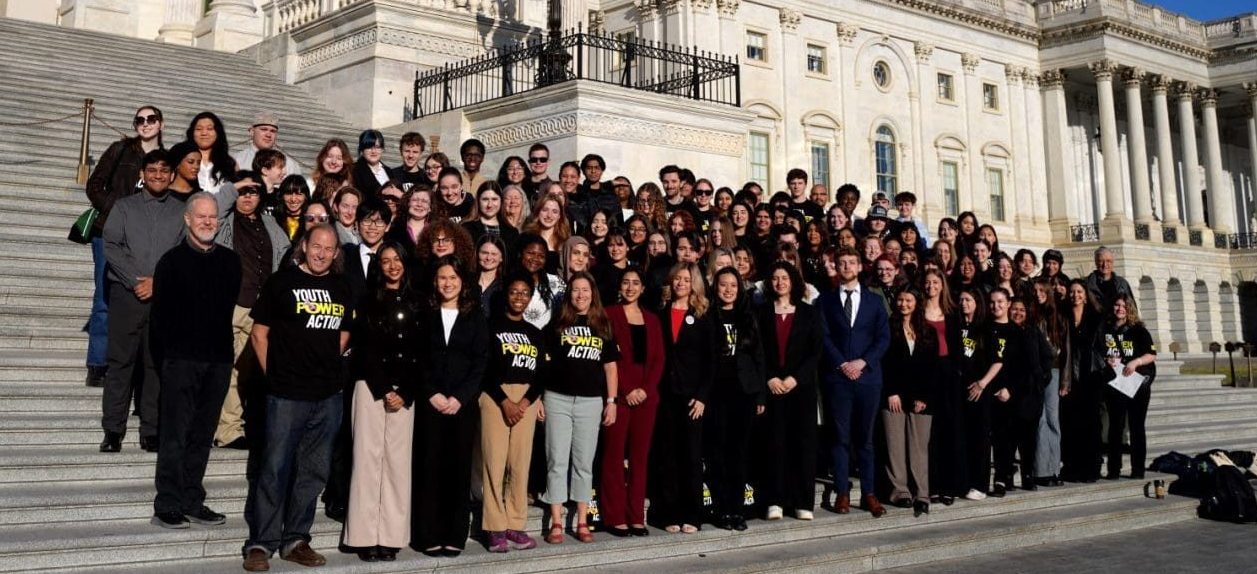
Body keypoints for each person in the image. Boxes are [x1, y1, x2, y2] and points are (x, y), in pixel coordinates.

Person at [242, 224, 353, 572]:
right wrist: (274, 375)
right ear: (304, 246)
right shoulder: (281, 282)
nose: (321, 253)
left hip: (328, 395)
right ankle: (260, 542)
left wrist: (326, 363)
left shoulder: (342, 287)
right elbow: (259, 335)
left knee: (313, 471)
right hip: (286, 394)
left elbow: (345, 330)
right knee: (274, 469)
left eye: (328, 248)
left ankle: (296, 539)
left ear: (336, 253)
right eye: (315, 245)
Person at [149, 192, 241, 528]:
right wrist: (169, 361)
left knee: (202, 435)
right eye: (200, 216)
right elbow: (158, 322)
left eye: (212, 217)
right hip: (180, 361)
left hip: (217, 361)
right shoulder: (170, 262)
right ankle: (168, 502)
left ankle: (192, 498)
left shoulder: (231, 262)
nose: (207, 222)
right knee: (175, 434)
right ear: (187, 219)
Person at [99, 150, 186, 454]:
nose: (158, 175)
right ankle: (113, 429)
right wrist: (137, 280)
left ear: (172, 175)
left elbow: (182, 252)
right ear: (142, 174)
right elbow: (111, 245)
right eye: (152, 171)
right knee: (120, 363)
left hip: (163, 298)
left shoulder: (181, 210)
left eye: (164, 171)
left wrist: (157, 282)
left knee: (155, 364)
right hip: (127, 293)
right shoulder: (124, 207)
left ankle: (151, 429)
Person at [343, 242, 421, 562]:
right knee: (367, 462)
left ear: (405, 263)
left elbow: (423, 354)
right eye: (385, 261)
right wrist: (384, 388)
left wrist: (404, 391)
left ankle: (390, 536)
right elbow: (363, 348)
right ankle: (364, 537)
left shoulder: (419, 303)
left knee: (397, 466)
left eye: (396, 260)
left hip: (405, 392)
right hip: (371, 388)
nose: (392, 266)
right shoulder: (367, 300)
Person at [412, 256, 489, 557]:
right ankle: (428, 533)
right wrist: (431, 393)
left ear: (463, 282)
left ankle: (454, 533)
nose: (448, 283)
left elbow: (481, 362)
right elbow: (416, 358)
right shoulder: (425, 314)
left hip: (462, 405)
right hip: (430, 403)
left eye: (453, 278)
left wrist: (460, 397)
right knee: (430, 469)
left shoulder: (475, 316)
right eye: (442, 277)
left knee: (458, 470)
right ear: (435, 281)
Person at [84, 104, 165, 388]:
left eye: (151, 119)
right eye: (140, 120)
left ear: (161, 124)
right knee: (104, 297)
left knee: (138, 300)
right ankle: (97, 362)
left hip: (145, 239)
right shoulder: (120, 150)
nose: (145, 124)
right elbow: (94, 186)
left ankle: (133, 363)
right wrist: (118, 213)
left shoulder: (164, 159)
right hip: (109, 233)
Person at [210, 170, 291, 450]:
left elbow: (285, 256)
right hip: (233, 304)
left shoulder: (270, 223)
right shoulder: (225, 221)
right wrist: (234, 187)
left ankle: (244, 424)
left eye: (253, 192)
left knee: (249, 372)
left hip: (261, 309)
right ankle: (228, 430)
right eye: (243, 192)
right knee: (228, 369)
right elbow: (213, 209)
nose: (247, 197)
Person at [542, 272, 618, 544]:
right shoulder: (558, 324)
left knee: (584, 464)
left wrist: (611, 402)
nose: (580, 295)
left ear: (592, 293)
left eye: (585, 290)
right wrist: (540, 398)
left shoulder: (603, 325)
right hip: (557, 399)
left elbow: (610, 367)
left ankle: (582, 520)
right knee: (557, 461)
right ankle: (557, 521)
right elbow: (544, 365)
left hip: (590, 403)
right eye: (575, 290)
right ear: (568, 294)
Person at [818, 247, 889, 517]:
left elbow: (882, 338)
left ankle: (869, 494)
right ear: (836, 267)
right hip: (838, 379)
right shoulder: (825, 301)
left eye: (851, 262)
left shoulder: (874, 301)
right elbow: (824, 336)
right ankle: (842, 493)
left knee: (866, 440)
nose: (846, 266)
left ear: (860, 267)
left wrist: (862, 362)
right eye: (842, 263)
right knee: (840, 438)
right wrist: (842, 363)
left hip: (868, 379)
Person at [481, 273, 546, 553]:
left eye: (524, 293)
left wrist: (525, 401)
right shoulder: (489, 326)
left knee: (520, 464)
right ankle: (495, 528)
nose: (518, 297)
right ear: (505, 295)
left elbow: (542, 374)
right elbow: (482, 369)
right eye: (514, 292)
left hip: (526, 399)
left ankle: (515, 524)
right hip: (495, 397)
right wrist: (504, 400)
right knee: (495, 463)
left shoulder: (536, 333)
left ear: (529, 298)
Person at [757, 261, 824, 521]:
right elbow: (757, 350)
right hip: (773, 389)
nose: (779, 282)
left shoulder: (808, 313)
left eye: (784, 278)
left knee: (803, 445)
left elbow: (815, 351)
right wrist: (770, 378)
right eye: (774, 278)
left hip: (800, 389)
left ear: (793, 281)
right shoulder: (761, 312)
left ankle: (803, 502)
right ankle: (775, 500)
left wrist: (796, 378)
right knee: (775, 445)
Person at [600, 269, 664, 537]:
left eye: (635, 283)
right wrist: (625, 390)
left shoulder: (652, 319)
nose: (630, 287)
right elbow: (607, 356)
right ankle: (615, 516)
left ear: (643, 288)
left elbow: (659, 359)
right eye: (625, 282)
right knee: (613, 455)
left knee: (639, 458)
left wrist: (645, 389)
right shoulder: (609, 314)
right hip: (619, 394)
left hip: (646, 397)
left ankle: (636, 515)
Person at [650, 263, 713, 534]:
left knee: (691, 455)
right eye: (676, 278)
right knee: (668, 455)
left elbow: (711, 361)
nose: (681, 283)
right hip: (665, 395)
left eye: (686, 279)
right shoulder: (659, 314)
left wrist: (701, 397)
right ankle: (668, 513)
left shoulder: (702, 315)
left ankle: (693, 514)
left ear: (693, 283)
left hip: (692, 398)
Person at [706, 267, 766, 531]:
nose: (728, 290)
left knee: (738, 454)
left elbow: (759, 357)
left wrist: (761, 394)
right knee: (717, 453)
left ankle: (737, 510)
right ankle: (721, 510)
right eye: (723, 285)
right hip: (716, 392)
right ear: (715, 287)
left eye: (733, 285)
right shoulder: (707, 315)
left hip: (744, 392)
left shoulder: (748, 316)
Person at [881, 288, 937, 517]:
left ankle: (921, 494)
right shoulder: (887, 328)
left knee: (919, 448)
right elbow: (883, 363)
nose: (904, 304)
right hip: (894, 396)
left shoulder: (928, 331)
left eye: (909, 300)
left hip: (920, 398)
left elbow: (931, 367)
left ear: (917, 303)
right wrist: (891, 392)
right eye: (901, 299)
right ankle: (900, 491)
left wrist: (924, 396)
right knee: (895, 447)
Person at [1098, 294, 1156, 480]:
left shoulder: (1138, 330)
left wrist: (1135, 362)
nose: (1119, 309)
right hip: (1116, 384)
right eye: (1116, 304)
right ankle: (1113, 470)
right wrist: (1108, 359)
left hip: (1136, 384)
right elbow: (1100, 352)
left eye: (1123, 306)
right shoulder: (1106, 330)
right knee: (1115, 427)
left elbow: (1151, 355)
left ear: (1129, 308)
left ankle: (1138, 470)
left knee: (1136, 427)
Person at [1060, 279, 1102, 483]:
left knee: (1091, 424)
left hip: (1091, 376)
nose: (1075, 295)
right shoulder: (1064, 315)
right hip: (1070, 376)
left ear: (1086, 295)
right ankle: (1072, 467)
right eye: (1072, 292)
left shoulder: (1096, 317)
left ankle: (1091, 468)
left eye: (1079, 291)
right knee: (1071, 424)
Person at [231, 112, 304, 179]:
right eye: (263, 129)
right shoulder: (237, 160)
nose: (268, 135)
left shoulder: (289, 164)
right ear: (252, 132)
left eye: (273, 131)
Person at [462, 181, 520, 254]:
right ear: (478, 201)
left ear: (501, 201)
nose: (489, 205)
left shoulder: (512, 232)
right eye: (485, 199)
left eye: (494, 199)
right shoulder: (466, 229)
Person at [1084, 246, 1133, 312]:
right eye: (1101, 261)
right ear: (1096, 262)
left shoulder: (1122, 284)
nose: (1105, 265)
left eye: (1108, 261)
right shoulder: (1086, 283)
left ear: (1113, 262)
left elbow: (1132, 308)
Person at [351, 130, 390, 198]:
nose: (373, 151)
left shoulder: (388, 171)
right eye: (369, 147)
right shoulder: (354, 170)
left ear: (382, 149)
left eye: (377, 147)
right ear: (362, 149)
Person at [274, 175, 309, 240]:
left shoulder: (311, 219)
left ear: (306, 196)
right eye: (288, 194)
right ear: (281, 196)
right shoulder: (274, 219)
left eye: (299, 194)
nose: (293, 199)